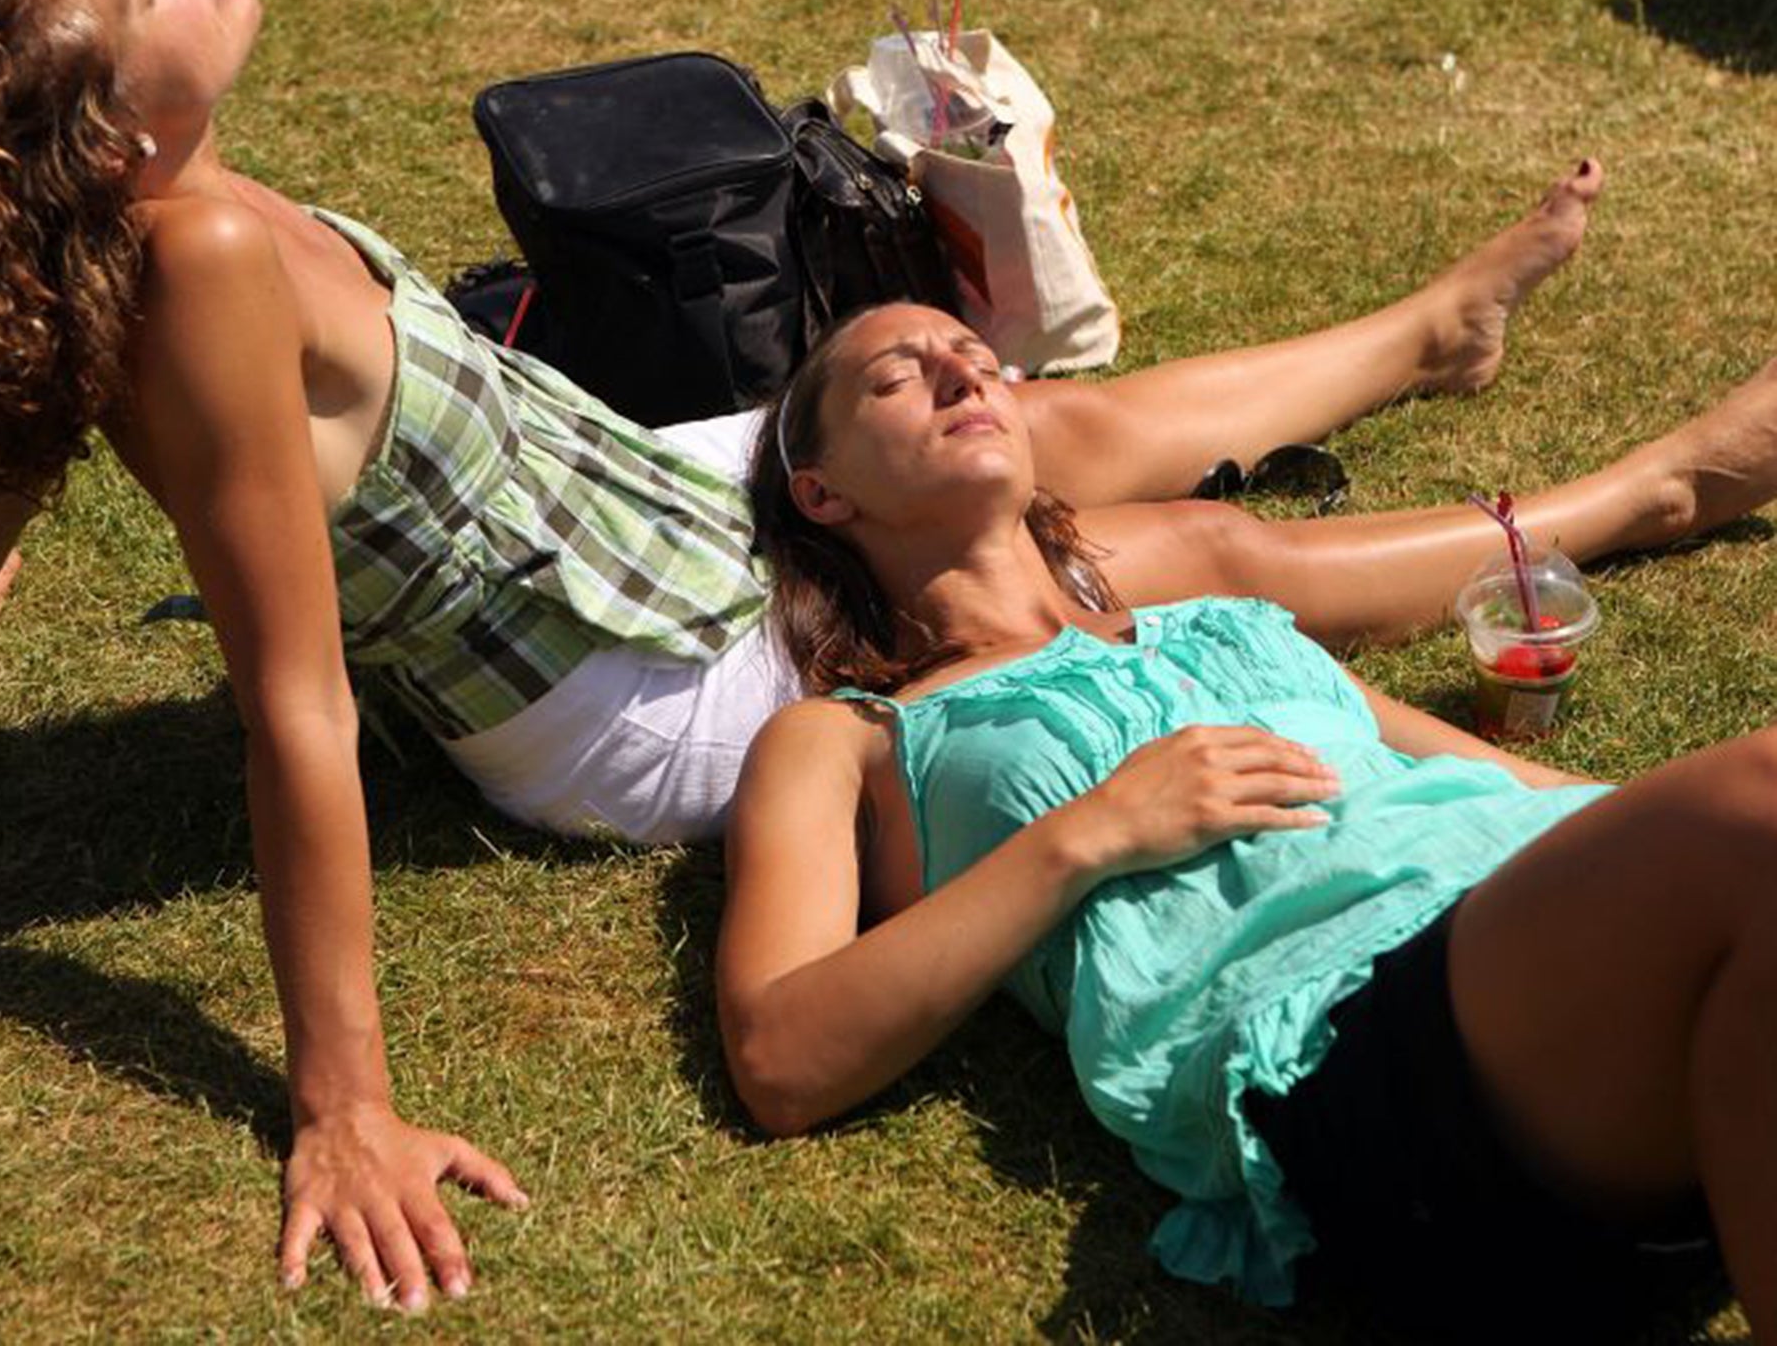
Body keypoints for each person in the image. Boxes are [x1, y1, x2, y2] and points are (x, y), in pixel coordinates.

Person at [0, 0, 1777, 1316]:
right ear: (97, 126)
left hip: (632, 495)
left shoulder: (142, 218)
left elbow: (9, 377)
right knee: (1171, 550)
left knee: (1010, 420)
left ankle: (1425, 343)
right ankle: (1630, 494)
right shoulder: (187, 265)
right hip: (636, 674)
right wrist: (342, 1105)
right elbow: (293, 694)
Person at [716, 302, 1777, 1338]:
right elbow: (779, 1058)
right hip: (1351, 1042)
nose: (960, 372)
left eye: (970, 353)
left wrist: (1650, 845)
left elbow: (1502, 781)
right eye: (896, 377)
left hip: (1562, 991)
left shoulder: (1219, 624)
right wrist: (1087, 834)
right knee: (1754, 802)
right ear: (820, 493)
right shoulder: (845, 737)